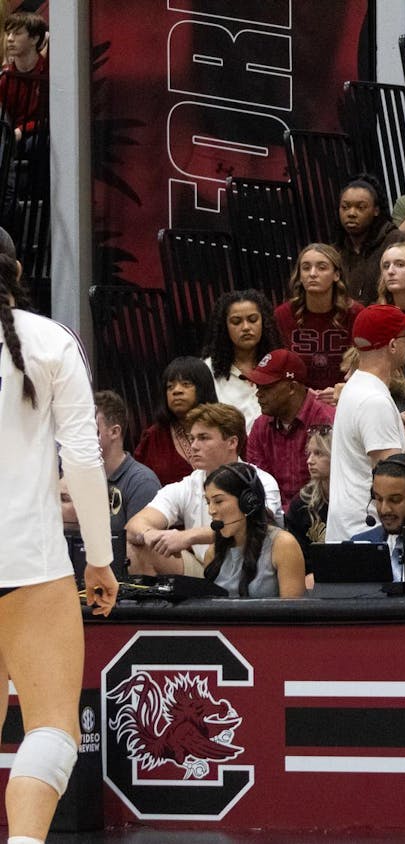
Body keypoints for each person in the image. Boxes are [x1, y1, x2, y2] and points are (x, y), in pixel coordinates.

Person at [0, 250, 118, 844]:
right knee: (50, 728)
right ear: (18, 272)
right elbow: (84, 458)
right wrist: (100, 555)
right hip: (30, 561)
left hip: (29, 564)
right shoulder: (49, 341)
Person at [124, 403, 284, 575]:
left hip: (256, 570)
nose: (193, 446)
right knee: (135, 547)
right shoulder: (187, 485)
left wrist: (188, 536)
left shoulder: (261, 480)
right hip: (205, 568)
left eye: (203, 438)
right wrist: (149, 535)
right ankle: (159, 602)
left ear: (232, 442)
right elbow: (135, 525)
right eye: (192, 438)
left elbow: (257, 524)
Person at [326, 305, 405, 542]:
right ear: (392, 345)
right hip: (366, 535)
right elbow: (395, 483)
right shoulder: (374, 401)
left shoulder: (354, 387)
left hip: (353, 531)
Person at [201, 463, 306, 598]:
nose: (211, 511)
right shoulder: (212, 553)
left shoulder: (283, 545)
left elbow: (294, 613)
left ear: (248, 502)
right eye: (208, 502)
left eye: (219, 501)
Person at [246, 348, 335, 499]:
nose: (258, 394)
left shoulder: (328, 421)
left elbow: (330, 485)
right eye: (258, 387)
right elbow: (258, 483)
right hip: (273, 515)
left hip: (320, 513)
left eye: (266, 387)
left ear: (292, 388)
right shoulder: (260, 427)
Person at [276, 243, 365, 393]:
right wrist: (300, 392)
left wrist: (344, 390)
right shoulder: (283, 314)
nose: (312, 273)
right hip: (296, 399)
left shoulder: (356, 313)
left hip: (345, 397)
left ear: (336, 275)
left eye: (321, 267)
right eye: (305, 268)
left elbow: (366, 365)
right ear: (299, 275)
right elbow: (277, 366)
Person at [202, 290, 282, 427]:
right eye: (236, 322)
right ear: (224, 327)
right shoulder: (207, 370)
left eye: (253, 319)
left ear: (264, 322)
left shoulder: (281, 364)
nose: (245, 327)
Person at [133, 357, 218, 486]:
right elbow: (138, 483)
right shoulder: (153, 437)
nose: (176, 391)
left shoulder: (226, 428)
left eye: (186, 384)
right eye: (170, 387)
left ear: (203, 388)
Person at [335, 176, 405, 304]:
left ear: (376, 210)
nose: (351, 213)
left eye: (360, 207)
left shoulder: (397, 241)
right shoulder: (335, 251)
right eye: (345, 207)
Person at [93, 390, 162, 533]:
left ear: (114, 432)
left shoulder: (142, 482)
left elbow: (140, 550)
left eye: (89, 428)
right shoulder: (78, 476)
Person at [0, 12, 48, 147]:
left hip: (35, 135)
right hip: (9, 136)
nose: (9, 39)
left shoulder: (48, 74)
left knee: (39, 143)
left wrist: (21, 130)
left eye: (17, 33)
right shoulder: (5, 77)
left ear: (34, 39)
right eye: (8, 33)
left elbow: (52, 118)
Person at [285, 426, 331, 553]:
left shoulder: (352, 500)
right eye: (309, 453)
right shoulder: (302, 502)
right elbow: (294, 554)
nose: (309, 461)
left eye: (318, 453)